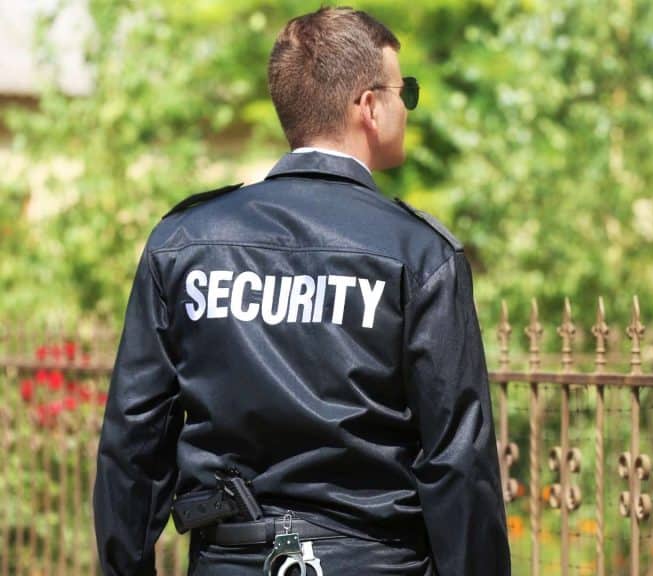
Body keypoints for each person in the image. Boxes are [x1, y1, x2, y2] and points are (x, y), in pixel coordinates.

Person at [93, 7, 510, 576]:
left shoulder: (183, 243)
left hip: (228, 561)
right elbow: (457, 461)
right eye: (402, 91)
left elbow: (133, 444)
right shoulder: (418, 255)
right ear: (367, 106)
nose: (406, 108)